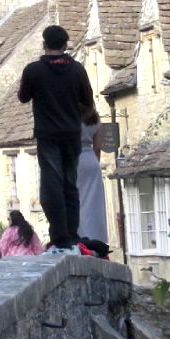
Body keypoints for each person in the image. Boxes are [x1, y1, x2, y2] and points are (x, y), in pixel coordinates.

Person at [17, 24, 95, 254]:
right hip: (71, 135)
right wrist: (74, 115)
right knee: (70, 184)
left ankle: (59, 236)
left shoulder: (33, 70)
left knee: (51, 186)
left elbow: (23, 97)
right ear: (65, 45)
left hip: (47, 135)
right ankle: (72, 234)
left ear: (44, 44)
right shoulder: (78, 70)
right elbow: (88, 102)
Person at [77, 105, 107, 245]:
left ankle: (79, 238)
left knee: (77, 202)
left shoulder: (69, 116)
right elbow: (97, 148)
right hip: (91, 160)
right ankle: (95, 239)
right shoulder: (94, 118)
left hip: (74, 159)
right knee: (93, 205)